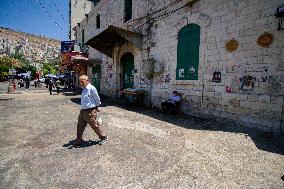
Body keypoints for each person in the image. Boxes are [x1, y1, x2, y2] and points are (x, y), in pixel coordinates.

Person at [73, 75, 107, 146]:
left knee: (94, 125)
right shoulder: (84, 89)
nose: (81, 83)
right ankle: (79, 139)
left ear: (87, 81)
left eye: (82, 81)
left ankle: (103, 137)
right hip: (83, 111)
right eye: (80, 82)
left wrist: (97, 107)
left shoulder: (91, 88)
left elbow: (97, 99)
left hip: (90, 111)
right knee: (80, 126)